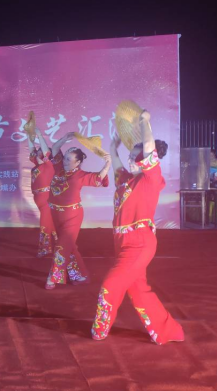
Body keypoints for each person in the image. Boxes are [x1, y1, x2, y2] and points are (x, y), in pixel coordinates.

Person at [92, 111, 184, 345]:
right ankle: (169, 331)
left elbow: (150, 149)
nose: (131, 160)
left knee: (110, 285)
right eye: (130, 156)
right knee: (138, 290)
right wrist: (113, 146)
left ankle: (100, 330)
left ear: (145, 160)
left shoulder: (150, 179)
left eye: (136, 157)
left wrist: (145, 122)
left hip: (139, 243)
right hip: (122, 243)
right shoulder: (125, 179)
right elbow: (116, 160)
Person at [46, 132, 111, 289]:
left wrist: (108, 163)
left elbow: (99, 178)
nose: (65, 161)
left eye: (69, 159)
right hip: (56, 214)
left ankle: (52, 277)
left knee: (62, 246)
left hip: (72, 217)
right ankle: (80, 275)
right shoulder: (59, 167)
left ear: (78, 162)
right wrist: (64, 138)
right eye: (65, 157)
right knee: (70, 246)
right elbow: (55, 148)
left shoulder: (81, 175)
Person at [27, 127, 57, 257]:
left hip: (47, 200)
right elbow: (31, 149)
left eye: (41, 150)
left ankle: (45, 248)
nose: (38, 151)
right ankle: (60, 240)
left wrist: (39, 135)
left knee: (44, 224)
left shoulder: (49, 165)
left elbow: (46, 152)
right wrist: (29, 135)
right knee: (50, 222)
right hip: (38, 199)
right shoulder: (37, 165)